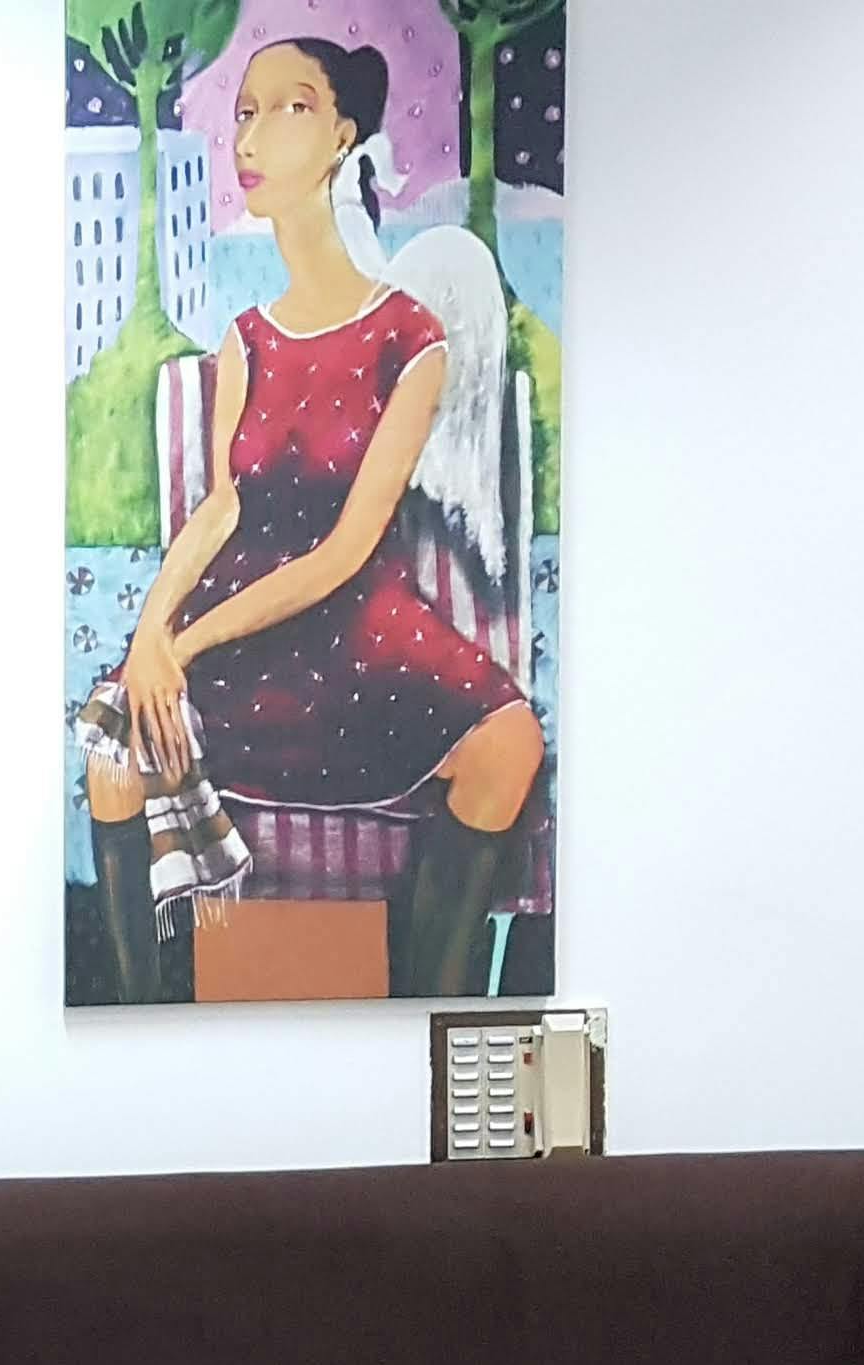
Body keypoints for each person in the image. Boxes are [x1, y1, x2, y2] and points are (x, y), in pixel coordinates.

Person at [86, 35, 546, 1001]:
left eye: (288, 107)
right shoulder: (245, 339)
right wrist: (149, 640)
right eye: (244, 113)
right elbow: (221, 506)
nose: (252, 136)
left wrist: (186, 642)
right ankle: (137, 1017)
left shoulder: (411, 338)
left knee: (510, 745)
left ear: (343, 136)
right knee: (114, 754)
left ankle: (428, 1010)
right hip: (240, 622)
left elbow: (346, 549)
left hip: (358, 625)